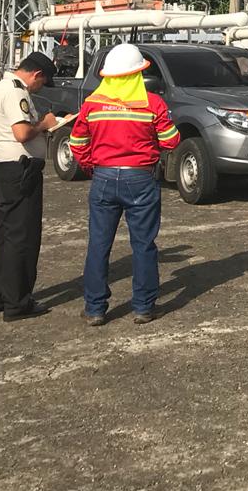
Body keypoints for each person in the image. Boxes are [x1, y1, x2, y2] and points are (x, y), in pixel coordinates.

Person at [68, 43, 180, 326]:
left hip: (104, 176)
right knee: (143, 244)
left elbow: (77, 142)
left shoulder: (92, 103)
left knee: (99, 244)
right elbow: (171, 141)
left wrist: (91, 165)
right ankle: (143, 307)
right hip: (141, 178)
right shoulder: (153, 103)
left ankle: (95, 309)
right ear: (138, 73)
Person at [0, 51, 59, 322]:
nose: (40, 88)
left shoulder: (0, 87)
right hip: (21, 169)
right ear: (36, 75)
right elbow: (22, 133)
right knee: (23, 236)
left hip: (5, 168)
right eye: (42, 82)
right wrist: (46, 124)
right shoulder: (17, 92)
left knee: (4, 234)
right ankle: (17, 302)